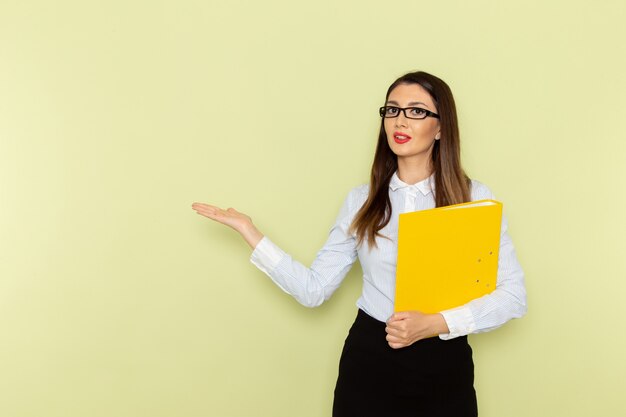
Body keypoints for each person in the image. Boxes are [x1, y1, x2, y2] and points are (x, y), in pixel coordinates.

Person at [191, 71, 527, 417]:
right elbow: (314, 289)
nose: (401, 120)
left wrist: (436, 324)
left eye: (416, 111)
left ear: (441, 128)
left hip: (444, 363)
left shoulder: (473, 199)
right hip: (370, 362)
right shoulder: (361, 201)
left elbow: (512, 296)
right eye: (393, 110)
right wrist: (250, 232)